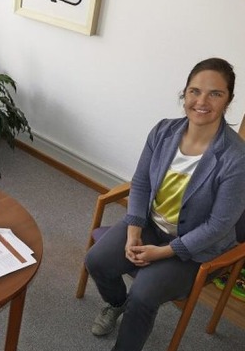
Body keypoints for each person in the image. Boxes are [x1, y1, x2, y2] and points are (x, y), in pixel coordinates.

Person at [84, 57, 245, 351]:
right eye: (195, 91)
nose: (202, 101)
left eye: (215, 94)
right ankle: (116, 303)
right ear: (184, 93)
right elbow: (142, 182)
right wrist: (134, 230)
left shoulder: (236, 158)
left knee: (143, 296)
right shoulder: (163, 131)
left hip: (193, 245)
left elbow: (220, 225)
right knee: (96, 261)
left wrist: (163, 252)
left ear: (228, 100)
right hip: (151, 226)